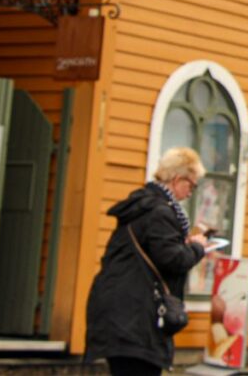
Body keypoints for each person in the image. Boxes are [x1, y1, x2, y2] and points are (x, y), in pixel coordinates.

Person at [85, 147, 209, 376]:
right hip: (136, 315)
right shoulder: (159, 212)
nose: (191, 192)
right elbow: (173, 259)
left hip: (121, 310)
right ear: (177, 179)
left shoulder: (144, 206)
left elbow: (159, 250)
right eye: (191, 184)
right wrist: (197, 247)